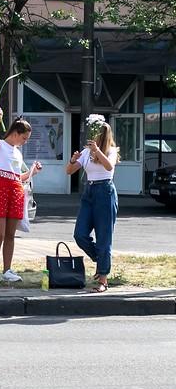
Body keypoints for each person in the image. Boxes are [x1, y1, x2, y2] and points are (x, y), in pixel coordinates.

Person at [0, 107, 42, 282]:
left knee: (10, 234)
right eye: (24, 138)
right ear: (15, 133)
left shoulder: (17, 152)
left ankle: (7, 270)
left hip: (15, 192)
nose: (25, 142)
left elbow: (17, 176)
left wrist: (32, 172)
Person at [66, 123, 119, 293]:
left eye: (95, 133)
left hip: (105, 191)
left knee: (104, 237)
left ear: (102, 135)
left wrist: (97, 151)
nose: (92, 136)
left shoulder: (111, 150)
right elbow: (69, 171)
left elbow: (109, 166)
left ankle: (103, 280)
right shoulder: (87, 151)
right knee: (80, 234)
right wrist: (73, 160)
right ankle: (101, 260)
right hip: (89, 191)